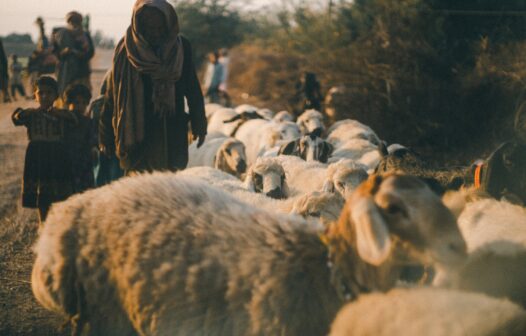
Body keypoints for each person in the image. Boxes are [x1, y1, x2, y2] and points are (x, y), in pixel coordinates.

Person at [100, 0, 207, 174]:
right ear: (139, 26)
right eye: (150, 28)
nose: (155, 33)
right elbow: (113, 96)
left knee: (169, 189)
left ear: (168, 25)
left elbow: (193, 89)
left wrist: (199, 126)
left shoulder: (181, 48)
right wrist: (105, 136)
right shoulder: (126, 50)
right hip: (138, 134)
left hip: (171, 131)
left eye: (160, 28)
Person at [12, 76, 75, 226]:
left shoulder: (61, 114)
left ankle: (58, 224)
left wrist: (58, 113)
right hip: (37, 155)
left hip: (57, 155)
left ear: (56, 95)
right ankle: (43, 223)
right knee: (42, 192)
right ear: (35, 96)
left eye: (49, 93)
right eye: (41, 93)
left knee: (59, 192)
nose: (45, 96)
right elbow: (16, 118)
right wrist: (24, 113)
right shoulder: (32, 114)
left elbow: (74, 120)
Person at [89, 72, 123, 186]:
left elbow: (94, 126)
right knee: (115, 177)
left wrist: (94, 144)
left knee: (100, 175)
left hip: (101, 145)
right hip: (115, 144)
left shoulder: (97, 104)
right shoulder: (119, 101)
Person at [52, 11, 95, 95]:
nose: (74, 23)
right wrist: (64, 52)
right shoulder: (61, 35)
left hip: (82, 72)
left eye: (76, 21)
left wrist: (78, 54)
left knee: (81, 98)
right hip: (65, 72)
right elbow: (55, 52)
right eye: (71, 21)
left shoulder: (85, 35)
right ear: (68, 22)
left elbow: (91, 52)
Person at [64, 83, 95, 193]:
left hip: (84, 162)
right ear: (69, 103)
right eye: (76, 103)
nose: (80, 106)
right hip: (67, 161)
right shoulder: (64, 120)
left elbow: (91, 141)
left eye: (83, 103)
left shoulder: (88, 122)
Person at [0, 38, 10, 103]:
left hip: (2, 71)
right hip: (3, 70)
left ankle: (5, 97)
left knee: (4, 85)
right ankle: (5, 97)